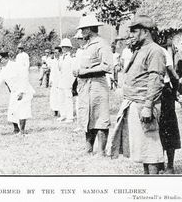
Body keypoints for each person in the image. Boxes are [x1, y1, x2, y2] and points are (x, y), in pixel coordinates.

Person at [108, 15, 166, 175]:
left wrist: (148, 106)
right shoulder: (141, 50)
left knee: (151, 148)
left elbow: (155, 80)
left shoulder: (154, 50)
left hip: (145, 104)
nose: (131, 35)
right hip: (135, 103)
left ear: (146, 31)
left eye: (134, 31)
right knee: (142, 148)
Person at [73, 14, 112, 156]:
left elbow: (107, 66)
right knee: (87, 116)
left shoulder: (102, 44)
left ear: (89, 29)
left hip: (97, 85)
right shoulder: (87, 46)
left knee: (101, 117)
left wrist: (84, 71)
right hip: (85, 86)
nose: (82, 32)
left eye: (83, 29)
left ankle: (101, 151)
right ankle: (88, 148)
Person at [0, 51, 35, 135]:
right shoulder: (3, 69)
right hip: (14, 92)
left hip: (24, 90)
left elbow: (24, 77)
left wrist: (21, 92)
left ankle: (22, 131)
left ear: (6, 58)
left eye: (1, 60)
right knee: (12, 110)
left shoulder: (16, 65)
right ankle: (16, 129)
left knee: (22, 110)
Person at [158, 40, 181, 174]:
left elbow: (174, 76)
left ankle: (170, 165)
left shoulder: (162, 52)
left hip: (164, 91)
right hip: (150, 91)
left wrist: (173, 94)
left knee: (168, 128)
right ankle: (159, 163)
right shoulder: (141, 51)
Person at [57, 38, 76, 123]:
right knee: (61, 99)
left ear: (70, 48)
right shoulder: (61, 58)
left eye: (66, 47)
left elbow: (73, 71)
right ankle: (63, 115)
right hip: (61, 81)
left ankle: (70, 117)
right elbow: (59, 70)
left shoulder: (72, 58)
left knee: (68, 99)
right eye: (63, 47)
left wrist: (71, 83)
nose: (64, 49)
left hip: (68, 81)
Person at [48, 47, 61, 117]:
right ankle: (55, 111)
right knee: (54, 96)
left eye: (57, 52)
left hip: (61, 80)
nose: (55, 54)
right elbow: (52, 72)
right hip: (54, 81)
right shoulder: (53, 61)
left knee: (60, 96)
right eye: (54, 52)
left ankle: (62, 111)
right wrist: (50, 80)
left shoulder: (62, 60)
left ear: (60, 52)